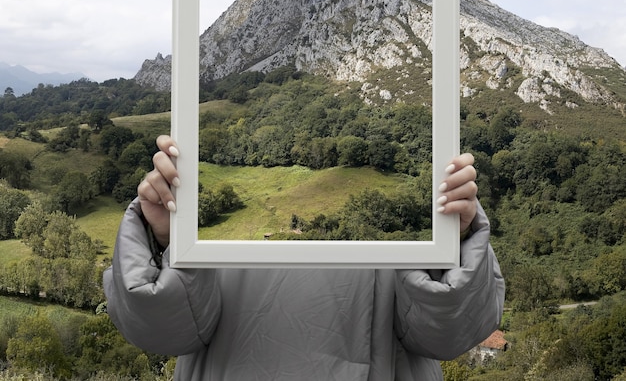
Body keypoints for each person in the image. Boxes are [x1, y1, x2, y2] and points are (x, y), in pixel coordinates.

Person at [104, 135, 504, 381]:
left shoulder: (412, 232)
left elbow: (447, 334)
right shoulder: (202, 234)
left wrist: (454, 239)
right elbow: (163, 332)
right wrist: (163, 237)